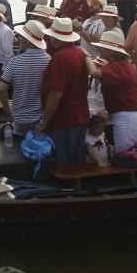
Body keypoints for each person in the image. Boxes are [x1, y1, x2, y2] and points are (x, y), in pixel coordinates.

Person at [84, 30, 137, 152]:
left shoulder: (118, 66)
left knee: (126, 155)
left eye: (103, 48)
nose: (100, 50)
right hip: (136, 113)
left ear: (112, 52)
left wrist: (86, 55)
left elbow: (94, 73)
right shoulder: (122, 64)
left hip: (129, 116)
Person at [37, 17, 90, 166]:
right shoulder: (78, 52)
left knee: (65, 161)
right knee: (77, 158)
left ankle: (69, 189)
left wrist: (45, 121)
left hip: (65, 118)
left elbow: (56, 93)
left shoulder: (61, 57)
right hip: (80, 114)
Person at [0, 20, 50, 137]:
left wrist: (7, 109)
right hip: (42, 119)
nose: (19, 39)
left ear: (27, 40)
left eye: (21, 37)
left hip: (20, 118)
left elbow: (1, 89)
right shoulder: (50, 61)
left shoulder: (15, 61)